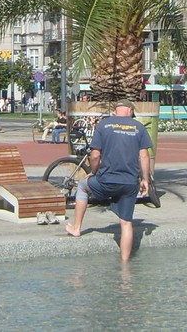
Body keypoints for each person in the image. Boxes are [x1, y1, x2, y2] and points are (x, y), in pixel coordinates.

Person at [65, 100, 152, 262]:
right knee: (126, 223)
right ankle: (125, 264)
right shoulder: (138, 127)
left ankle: (77, 228)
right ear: (130, 111)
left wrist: (93, 172)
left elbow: (95, 155)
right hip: (129, 183)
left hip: (106, 182)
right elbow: (144, 156)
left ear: (115, 111)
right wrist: (144, 179)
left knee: (83, 186)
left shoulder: (104, 125)